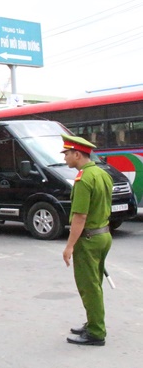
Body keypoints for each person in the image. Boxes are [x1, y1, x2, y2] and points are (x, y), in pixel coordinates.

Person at [61, 134, 113, 346]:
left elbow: (80, 217)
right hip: (103, 235)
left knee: (89, 286)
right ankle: (93, 321)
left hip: (89, 239)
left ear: (77, 154)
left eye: (67, 154)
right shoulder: (102, 174)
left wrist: (69, 246)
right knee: (95, 283)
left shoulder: (83, 179)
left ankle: (96, 332)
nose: (65, 158)